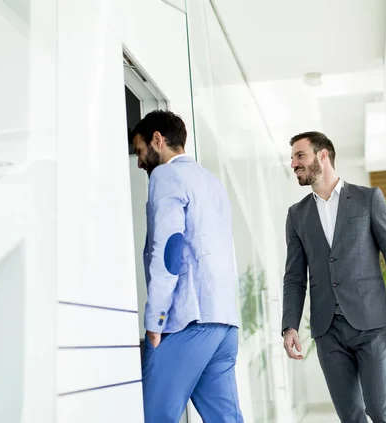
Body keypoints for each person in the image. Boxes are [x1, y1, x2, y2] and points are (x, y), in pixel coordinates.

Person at [282, 131, 386, 422]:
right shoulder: (297, 215)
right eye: (292, 157)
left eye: (299, 155)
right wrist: (289, 326)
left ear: (323, 156)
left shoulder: (367, 199)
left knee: (381, 408)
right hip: (327, 329)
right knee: (350, 415)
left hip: (370, 324)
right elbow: (294, 276)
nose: (293, 162)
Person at [131, 110, 243, 423]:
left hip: (186, 322)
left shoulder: (165, 176)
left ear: (158, 140)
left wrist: (155, 318)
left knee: (154, 417)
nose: (140, 161)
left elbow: (170, 248)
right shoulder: (211, 181)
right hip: (222, 322)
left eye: (141, 151)